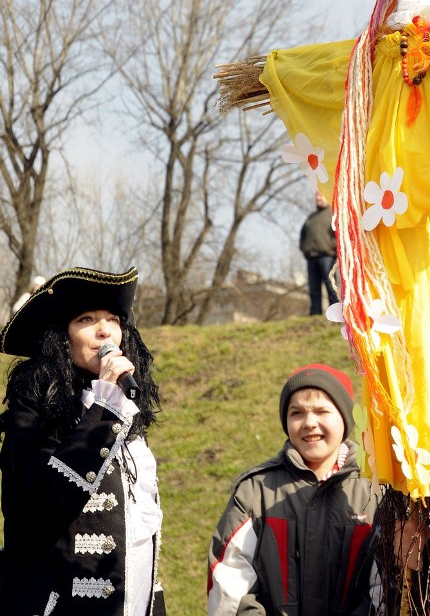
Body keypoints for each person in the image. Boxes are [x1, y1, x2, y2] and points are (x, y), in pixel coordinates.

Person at [0, 266, 165, 616]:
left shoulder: (122, 408)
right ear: (61, 336)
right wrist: (105, 410)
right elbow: (45, 504)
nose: (105, 331)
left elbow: (139, 533)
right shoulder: (31, 408)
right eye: (87, 319)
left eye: (114, 319)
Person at [207, 363, 378, 615]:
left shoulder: (375, 492)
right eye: (297, 413)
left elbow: (385, 586)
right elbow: (229, 584)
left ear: (345, 418)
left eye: (321, 411)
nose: (309, 422)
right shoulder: (255, 492)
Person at [299, 189, 338, 315]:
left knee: (330, 286)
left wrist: (333, 248)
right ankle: (315, 314)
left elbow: (338, 235)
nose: (318, 198)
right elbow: (302, 235)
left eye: (320, 196)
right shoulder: (311, 218)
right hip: (312, 257)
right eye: (317, 196)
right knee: (313, 288)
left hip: (327, 256)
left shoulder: (333, 215)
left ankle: (336, 312)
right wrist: (305, 249)